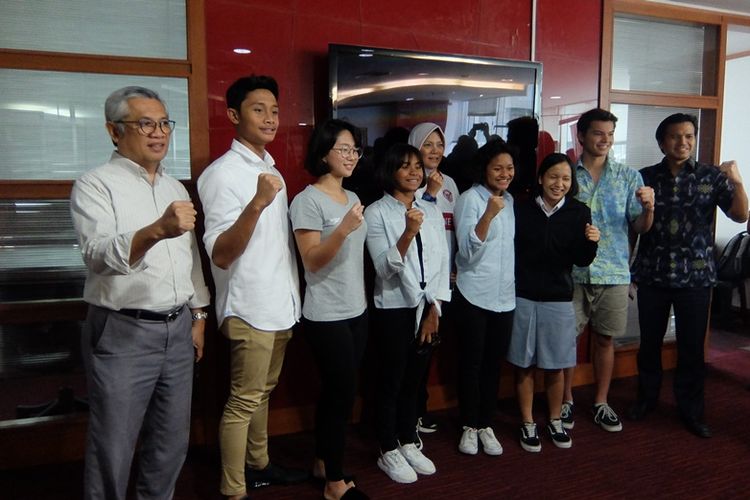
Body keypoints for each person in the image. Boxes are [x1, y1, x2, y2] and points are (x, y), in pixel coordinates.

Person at [70, 86, 210, 499]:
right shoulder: (95, 185)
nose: (159, 132)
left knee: (170, 442)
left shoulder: (175, 189)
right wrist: (155, 231)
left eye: (165, 122)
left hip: (179, 328)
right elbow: (97, 256)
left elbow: (190, 259)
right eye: (145, 123)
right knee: (112, 445)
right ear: (114, 131)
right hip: (123, 330)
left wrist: (198, 315)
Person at [197, 75, 306, 499]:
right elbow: (221, 254)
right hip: (249, 306)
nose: (270, 118)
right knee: (243, 401)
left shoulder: (269, 167)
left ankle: (258, 466)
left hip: (280, 302)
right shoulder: (222, 175)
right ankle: (233, 489)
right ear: (233, 116)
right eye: (258, 109)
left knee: (263, 393)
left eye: (274, 110)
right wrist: (257, 203)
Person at [629, 113, 748, 438]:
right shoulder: (645, 177)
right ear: (661, 142)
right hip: (653, 273)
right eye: (675, 137)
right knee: (649, 345)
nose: (683, 142)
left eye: (689, 137)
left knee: (692, 348)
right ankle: (646, 400)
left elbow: (740, 215)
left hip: (696, 277)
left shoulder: (712, 177)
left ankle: (691, 411)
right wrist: (629, 269)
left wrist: (737, 181)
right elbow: (634, 225)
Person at [289, 119, 369, 500]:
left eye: (355, 149)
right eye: (344, 149)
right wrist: (342, 230)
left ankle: (323, 461)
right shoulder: (306, 201)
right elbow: (313, 262)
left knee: (338, 393)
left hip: (358, 310)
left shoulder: (352, 198)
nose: (352, 156)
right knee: (341, 393)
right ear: (324, 153)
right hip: (325, 314)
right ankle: (335, 483)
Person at [563, 108, 655, 432]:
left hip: (615, 272)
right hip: (572, 272)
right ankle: (565, 401)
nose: (605, 140)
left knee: (605, 340)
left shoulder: (629, 177)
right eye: (598, 133)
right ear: (582, 136)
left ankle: (601, 401)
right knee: (566, 341)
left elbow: (640, 227)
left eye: (610, 134)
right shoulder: (567, 175)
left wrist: (649, 209)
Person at [365, 143, 450, 484]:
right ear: (389, 171)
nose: (415, 172)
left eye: (418, 166)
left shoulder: (428, 208)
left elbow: (441, 260)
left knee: (415, 380)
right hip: (394, 308)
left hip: (427, 308)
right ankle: (387, 447)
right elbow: (384, 268)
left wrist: (433, 306)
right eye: (405, 166)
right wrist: (408, 233)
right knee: (391, 380)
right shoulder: (375, 212)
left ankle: (408, 439)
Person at [508, 153, 599, 452]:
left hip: (559, 297)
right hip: (522, 295)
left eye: (565, 178)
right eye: (553, 177)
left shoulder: (578, 212)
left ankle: (555, 419)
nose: (559, 183)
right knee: (524, 364)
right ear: (540, 178)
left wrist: (592, 242)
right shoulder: (520, 209)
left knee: (556, 365)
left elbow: (581, 260)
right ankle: (527, 421)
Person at [453, 140, 516, 456]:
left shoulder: (512, 201)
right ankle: (468, 425)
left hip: (504, 297)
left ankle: (486, 423)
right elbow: (466, 250)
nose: (505, 174)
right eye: (497, 168)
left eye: (509, 168)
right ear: (484, 170)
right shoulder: (470, 198)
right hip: (474, 294)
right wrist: (488, 215)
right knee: (471, 364)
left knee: (494, 365)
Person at [408, 122, 459, 435]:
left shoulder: (451, 183)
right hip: (418, 283)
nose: (435, 151)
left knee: (429, 348)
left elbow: (452, 231)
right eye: (428, 144)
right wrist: (427, 194)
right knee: (415, 348)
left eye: (440, 145)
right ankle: (410, 412)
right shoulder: (410, 182)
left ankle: (419, 408)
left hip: (446, 280)